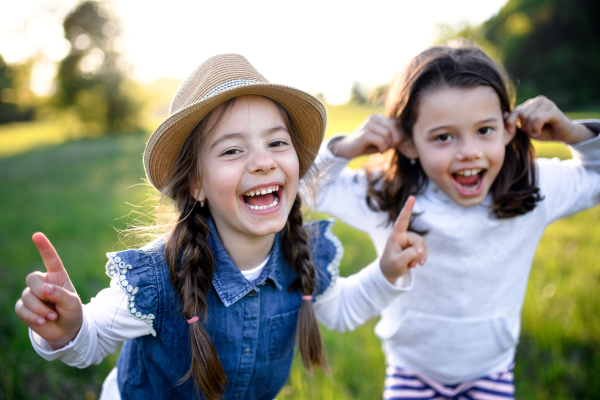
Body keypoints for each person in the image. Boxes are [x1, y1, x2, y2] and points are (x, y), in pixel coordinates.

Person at [14, 54, 428, 400]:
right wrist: (66, 330)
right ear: (196, 184)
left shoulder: (301, 255)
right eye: (232, 150)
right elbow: (91, 340)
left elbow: (340, 310)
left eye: (277, 143)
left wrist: (386, 273)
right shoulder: (158, 277)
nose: (263, 161)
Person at [314, 40, 600, 399]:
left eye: (484, 130)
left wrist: (573, 134)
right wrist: (345, 148)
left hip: (490, 373)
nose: (468, 152)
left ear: (509, 128)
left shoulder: (532, 188)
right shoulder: (386, 194)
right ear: (408, 143)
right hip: (411, 372)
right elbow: (301, 189)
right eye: (444, 137)